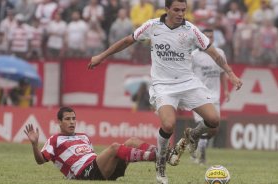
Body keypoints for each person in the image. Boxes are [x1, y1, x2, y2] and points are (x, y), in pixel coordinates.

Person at [87, 0, 242, 183]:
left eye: (183, 10)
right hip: (163, 85)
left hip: (188, 83)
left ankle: (192, 135)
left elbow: (214, 53)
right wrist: (101, 56)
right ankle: (161, 164)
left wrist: (230, 73)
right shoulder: (153, 26)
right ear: (167, 9)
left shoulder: (191, 30)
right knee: (168, 125)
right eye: (176, 10)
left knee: (214, 120)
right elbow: (127, 41)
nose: (180, 14)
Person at [24, 107, 157, 180]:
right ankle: (154, 157)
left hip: (99, 170)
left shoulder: (84, 136)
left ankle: (162, 153)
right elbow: (40, 160)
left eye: (74, 119)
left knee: (132, 141)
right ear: (59, 122)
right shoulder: (55, 140)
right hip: (84, 174)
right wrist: (35, 145)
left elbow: (92, 156)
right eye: (67, 119)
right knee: (115, 148)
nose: (72, 122)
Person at [171, 28, 230, 166]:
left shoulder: (220, 53)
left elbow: (222, 73)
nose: (209, 39)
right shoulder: (194, 55)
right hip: (199, 95)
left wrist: (226, 91)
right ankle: (201, 153)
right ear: (201, 38)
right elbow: (187, 75)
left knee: (214, 129)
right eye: (206, 36)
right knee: (204, 124)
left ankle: (193, 136)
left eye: (211, 36)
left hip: (215, 96)